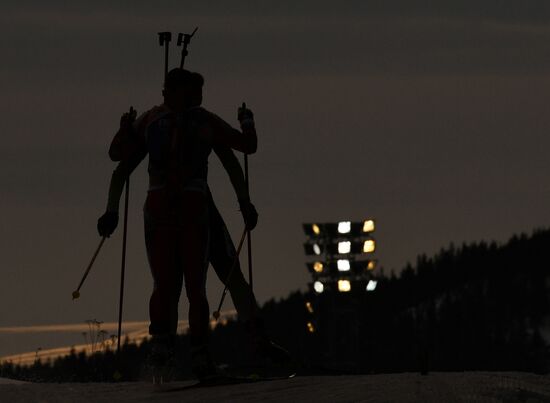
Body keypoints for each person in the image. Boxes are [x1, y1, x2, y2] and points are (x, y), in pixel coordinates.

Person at [97, 68, 257, 379]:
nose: (198, 97)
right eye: (195, 91)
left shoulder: (151, 120)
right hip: (193, 209)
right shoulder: (203, 121)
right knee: (195, 285)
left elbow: (118, 160)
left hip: (158, 211)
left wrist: (111, 211)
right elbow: (244, 148)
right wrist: (247, 122)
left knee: (166, 284)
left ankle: (162, 347)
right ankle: (198, 352)